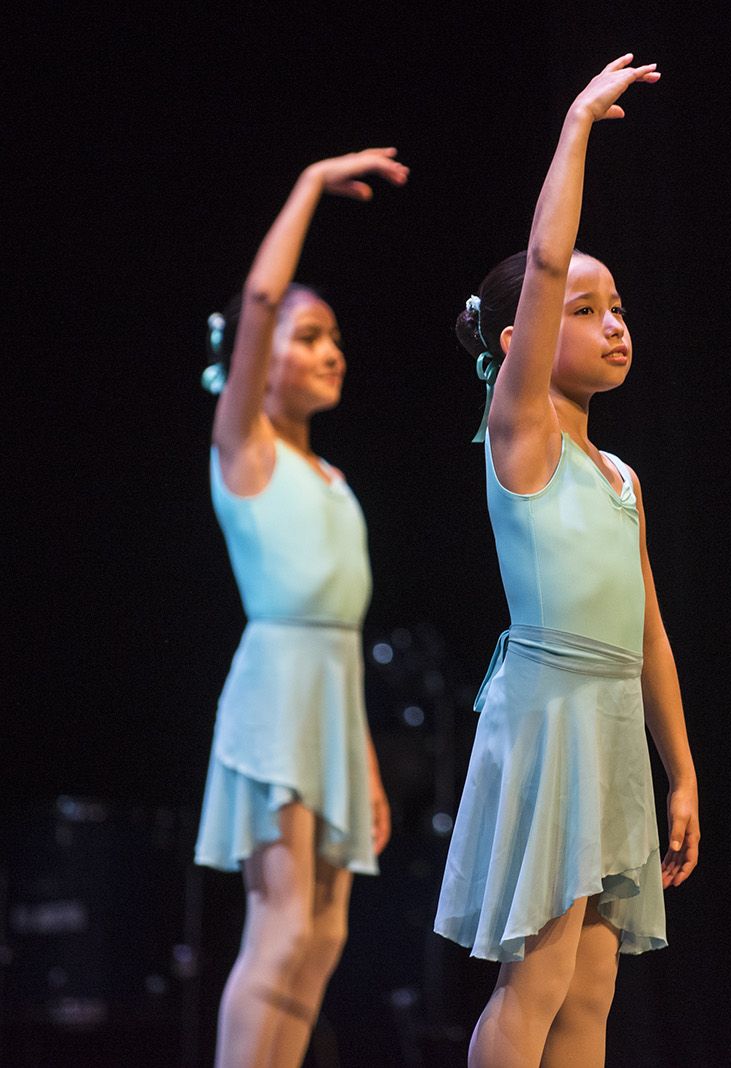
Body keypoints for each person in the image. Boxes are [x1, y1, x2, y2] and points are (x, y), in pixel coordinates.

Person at [433, 55, 700, 1067]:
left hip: (613, 726)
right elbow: (545, 265)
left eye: (617, 306)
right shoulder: (523, 439)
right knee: (538, 978)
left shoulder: (621, 476)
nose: (613, 324)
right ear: (518, 342)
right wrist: (578, 125)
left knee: (592, 988)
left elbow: (650, 633)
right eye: (585, 312)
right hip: (550, 716)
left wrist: (681, 771)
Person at [196, 148, 408, 1067]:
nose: (331, 352)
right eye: (309, 335)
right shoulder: (247, 450)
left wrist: (363, 759)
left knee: (325, 934)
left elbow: (344, 641)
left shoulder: (333, 477)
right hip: (278, 693)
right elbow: (257, 298)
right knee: (282, 927)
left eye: (335, 339)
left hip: (330, 703)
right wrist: (311, 186)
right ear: (259, 362)